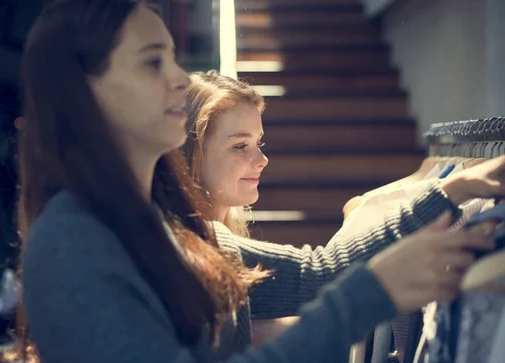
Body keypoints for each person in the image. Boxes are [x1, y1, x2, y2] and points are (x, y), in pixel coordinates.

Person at [18, 1, 502, 363]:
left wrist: (450, 190)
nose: (182, 80)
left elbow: (317, 272)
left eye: (172, 58)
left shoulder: (169, 229)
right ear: (86, 90)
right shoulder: (73, 243)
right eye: (152, 61)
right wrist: (371, 295)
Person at [181, 70, 505, 343]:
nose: (261, 160)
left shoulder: (211, 238)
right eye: (240, 146)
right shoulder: (198, 244)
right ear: (191, 152)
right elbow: (321, 274)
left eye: (258, 143)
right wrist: (454, 189)